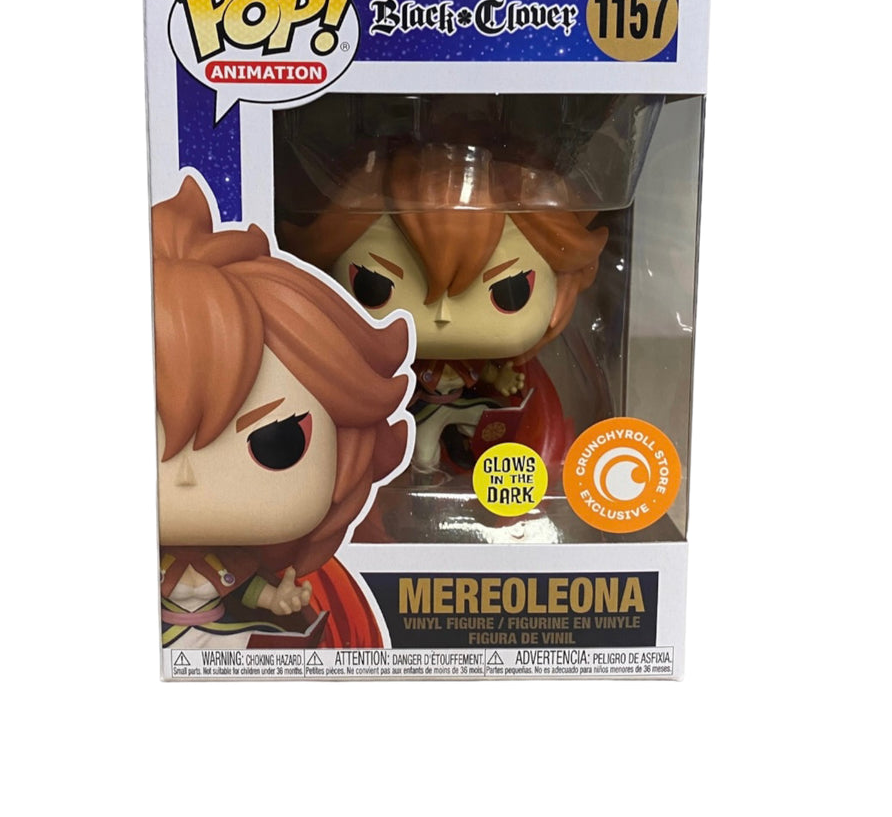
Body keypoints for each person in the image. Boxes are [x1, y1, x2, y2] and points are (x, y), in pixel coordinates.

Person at [153, 176, 411, 648]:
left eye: (277, 441)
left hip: (232, 640)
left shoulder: (236, 563)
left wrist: (279, 598)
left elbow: (253, 589)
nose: (186, 474)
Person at [280, 146, 607, 474]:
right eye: (373, 285)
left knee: (490, 422)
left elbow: (489, 375)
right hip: (412, 408)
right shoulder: (386, 361)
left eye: (510, 291)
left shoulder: (476, 362)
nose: (443, 315)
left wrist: (502, 376)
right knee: (421, 447)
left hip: (458, 403)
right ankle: (422, 471)